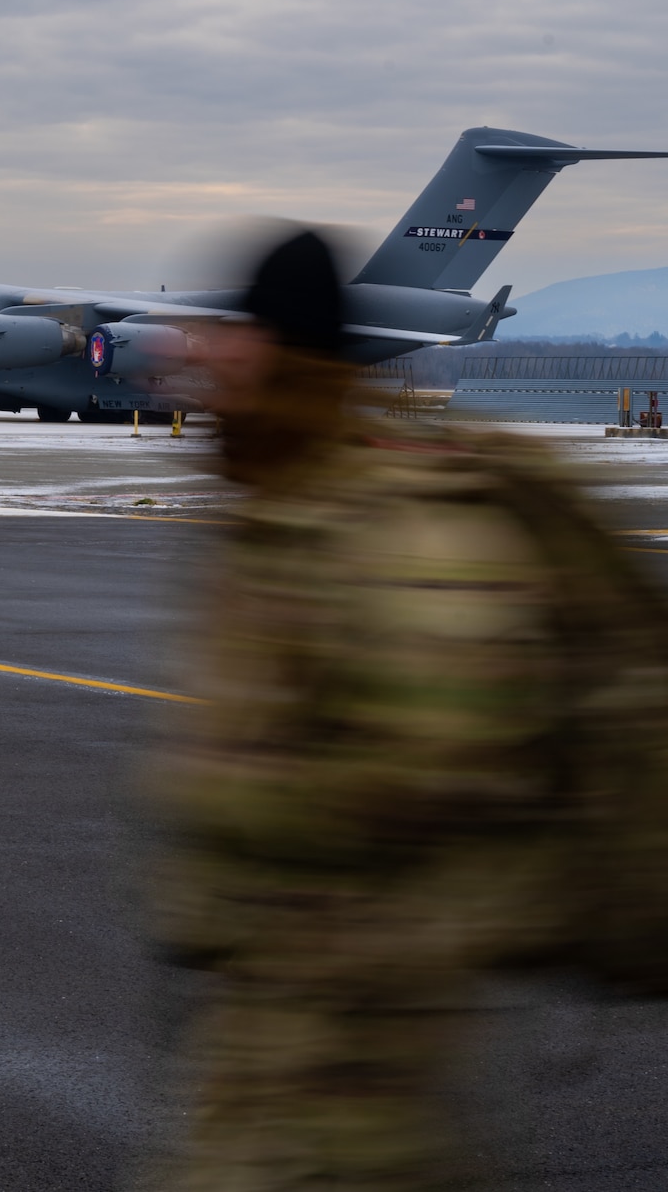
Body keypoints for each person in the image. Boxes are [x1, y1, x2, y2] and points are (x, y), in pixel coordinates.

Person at [148, 229, 668, 1190]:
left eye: (230, 335)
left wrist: (240, 801)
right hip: (286, 987)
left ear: (278, 350)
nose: (197, 354)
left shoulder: (387, 520)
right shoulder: (286, 504)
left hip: (364, 995)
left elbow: (447, 756)